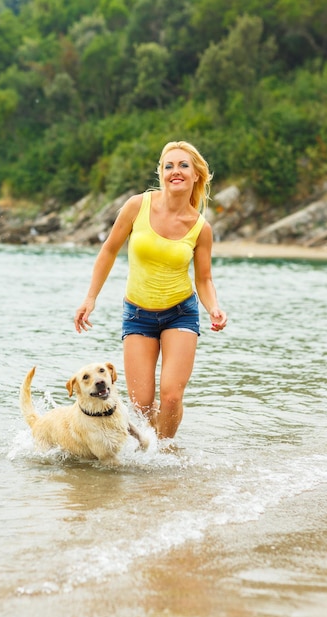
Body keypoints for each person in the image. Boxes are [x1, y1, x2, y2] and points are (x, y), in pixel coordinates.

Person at [74, 140, 227, 440]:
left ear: (197, 175)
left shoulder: (200, 228)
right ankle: (155, 439)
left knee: (171, 397)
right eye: (168, 166)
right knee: (142, 405)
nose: (176, 171)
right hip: (138, 315)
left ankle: (165, 453)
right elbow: (108, 251)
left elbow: (204, 279)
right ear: (161, 173)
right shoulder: (137, 206)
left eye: (183, 165)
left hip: (180, 314)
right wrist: (90, 298)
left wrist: (214, 307)